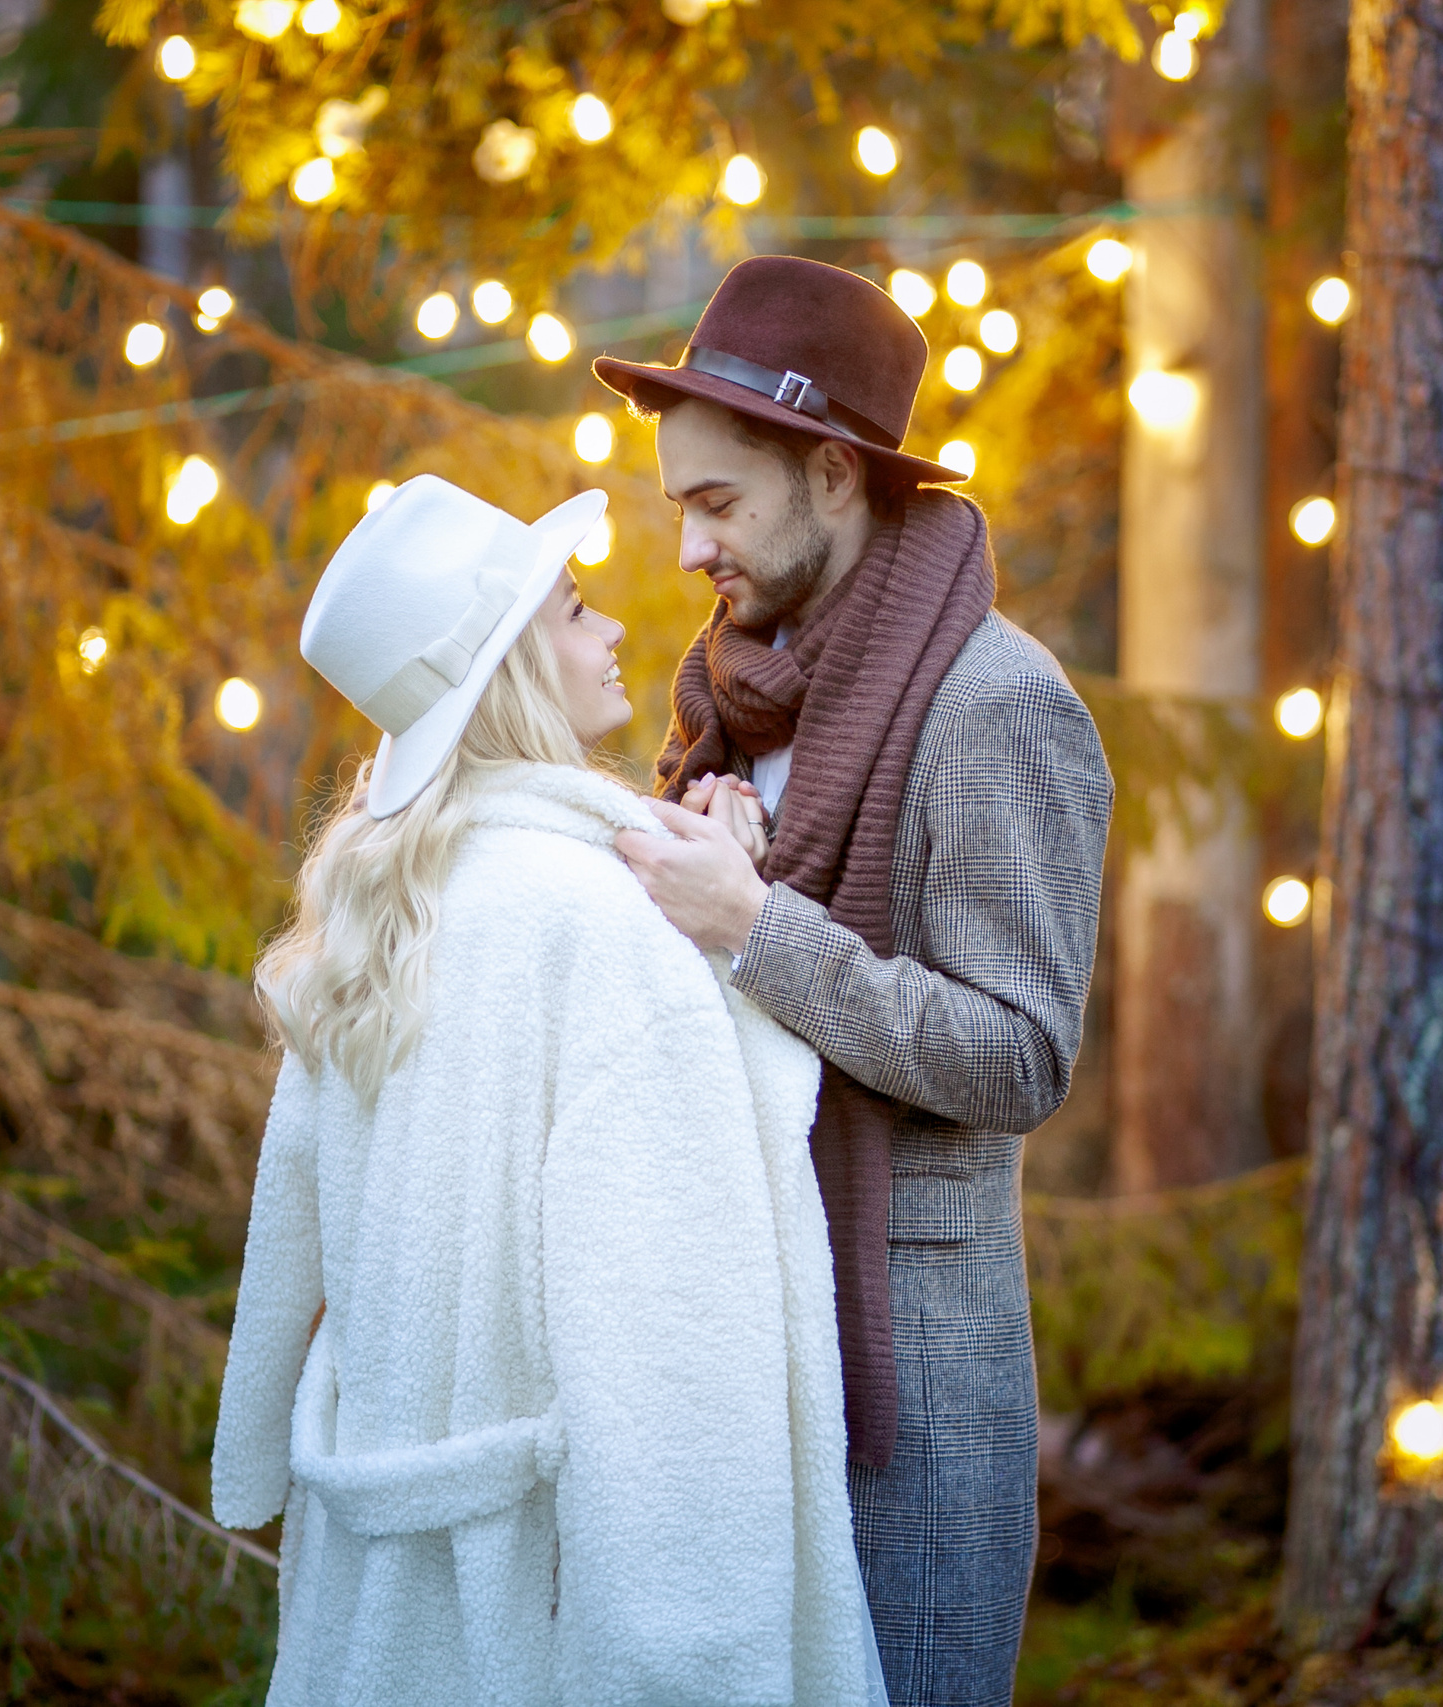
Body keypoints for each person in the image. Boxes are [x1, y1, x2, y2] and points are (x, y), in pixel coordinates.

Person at [209, 474, 885, 1707]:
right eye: (575, 610)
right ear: (513, 666)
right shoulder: (593, 923)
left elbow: (283, 1248)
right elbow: (670, 1318)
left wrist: (254, 1443)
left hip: (367, 1577)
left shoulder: (366, 922)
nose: (618, 627)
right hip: (539, 1598)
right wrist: (728, 936)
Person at [595, 256, 1115, 1706]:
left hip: (909, 1385)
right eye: (678, 506)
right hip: (729, 1339)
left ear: (833, 475)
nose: (689, 550)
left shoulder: (1000, 704)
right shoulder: (733, 697)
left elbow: (1022, 1054)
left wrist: (759, 926)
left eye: (718, 503)